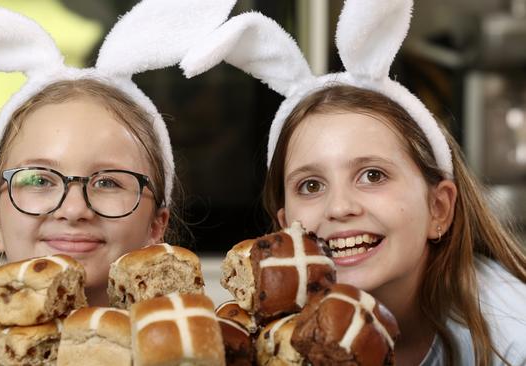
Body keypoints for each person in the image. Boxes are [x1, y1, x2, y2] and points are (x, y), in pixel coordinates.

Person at [0, 0, 236, 365]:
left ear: (156, 226)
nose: (74, 208)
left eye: (109, 183)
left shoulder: (207, 352)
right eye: (39, 179)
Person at [180, 0, 526, 364]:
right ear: (285, 230)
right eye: (311, 186)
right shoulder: (273, 340)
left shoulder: (512, 338)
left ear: (438, 208)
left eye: (372, 176)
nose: (340, 207)